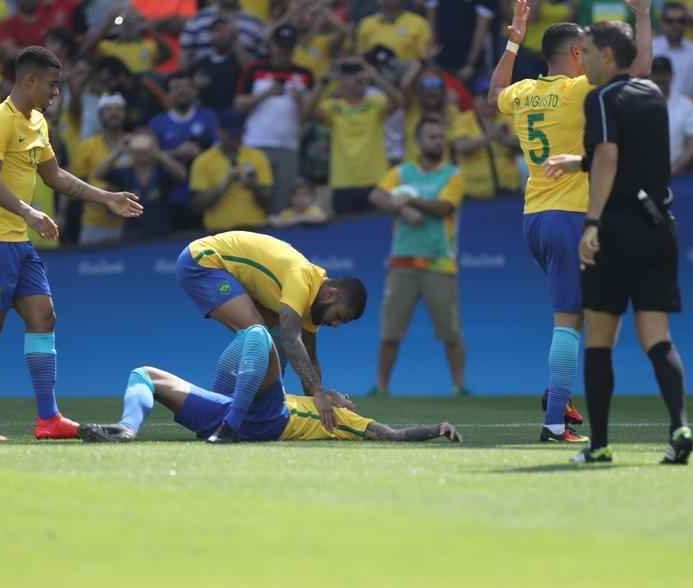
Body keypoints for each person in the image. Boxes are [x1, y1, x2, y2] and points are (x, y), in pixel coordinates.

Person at [0, 46, 144, 443]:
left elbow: (55, 176)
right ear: (30, 80)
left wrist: (106, 198)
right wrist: (29, 212)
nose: (58, 92)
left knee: (44, 316)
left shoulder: (38, 121)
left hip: (17, 239)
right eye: (53, 85)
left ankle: (48, 419)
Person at [489, 0, 651, 443]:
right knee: (568, 318)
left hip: (535, 218)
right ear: (578, 54)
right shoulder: (578, 90)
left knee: (577, 312)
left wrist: (512, 41)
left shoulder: (524, 92)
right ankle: (555, 420)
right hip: (570, 218)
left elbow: (493, 94)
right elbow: (640, 73)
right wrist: (642, 16)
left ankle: (559, 396)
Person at [541, 21, 693, 465]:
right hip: (660, 228)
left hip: (617, 230)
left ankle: (600, 444)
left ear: (607, 55)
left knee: (599, 342)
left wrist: (591, 224)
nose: (581, 59)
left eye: (586, 51)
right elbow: (631, 157)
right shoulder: (653, 95)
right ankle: (680, 426)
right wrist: (577, 162)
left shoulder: (602, 97)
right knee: (657, 340)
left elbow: (609, 157)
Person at [77, 330, 463, 445]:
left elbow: (392, 435)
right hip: (238, 411)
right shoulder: (308, 398)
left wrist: (436, 429)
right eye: (342, 394)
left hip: (267, 421)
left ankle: (228, 428)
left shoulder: (345, 421)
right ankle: (127, 428)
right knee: (144, 373)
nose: (345, 397)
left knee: (261, 335)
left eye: (348, 399)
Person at [173, 229, 366, 431]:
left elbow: (309, 358)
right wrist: (318, 392)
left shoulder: (313, 305)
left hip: (227, 272)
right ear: (331, 294)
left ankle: (240, 410)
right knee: (259, 334)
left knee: (272, 343)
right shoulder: (301, 276)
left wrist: (324, 399)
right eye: (338, 317)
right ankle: (220, 416)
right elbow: (292, 340)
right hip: (202, 261)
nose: (335, 325)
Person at [368, 118, 469, 396]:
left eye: (440, 136)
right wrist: (400, 209)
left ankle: (459, 387)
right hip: (402, 262)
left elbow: (444, 207)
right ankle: (382, 387)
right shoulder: (401, 172)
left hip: (440, 263)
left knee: (451, 333)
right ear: (418, 141)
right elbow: (376, 195)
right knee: (390, 333)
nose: (438, 141)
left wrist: (407, 201)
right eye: (432, 136)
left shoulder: (453, 174)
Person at [303, 57, 403, 215]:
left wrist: (375, 76)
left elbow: (399, 101)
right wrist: (322, 83)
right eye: (351, 76)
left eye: (359, 75)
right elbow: (306, 114)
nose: (358, 79)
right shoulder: (333, 107)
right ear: (341, 81)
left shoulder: (375, 102)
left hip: (376, 182)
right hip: (343, 183)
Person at [235, 24, 314, 214]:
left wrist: (300, 101)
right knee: (252, 195)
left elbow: (308, 115)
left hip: (288, 145)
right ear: (272, 46)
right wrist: (267, 93)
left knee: (284, 200)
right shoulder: (254, 69)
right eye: (280, 46)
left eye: (288, 47)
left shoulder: (304, 74)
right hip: (256, 143)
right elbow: (238, 104)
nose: (284, 51)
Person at [149, 70, 218, 231]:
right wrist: (177, 153)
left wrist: (199, 153)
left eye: (186, 87)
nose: (182, 91)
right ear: (168, 94)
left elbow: (219, 150)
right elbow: (150, 156)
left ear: (194, 91)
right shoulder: (158, 122)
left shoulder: (207, 117)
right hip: (170, 195)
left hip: (204, 194)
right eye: (176, 88)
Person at [189, 109, 274, 231]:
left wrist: (254, 186)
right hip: (219, 233)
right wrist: (225, 183)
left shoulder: (258, 157)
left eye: (239, 134)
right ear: (219, 132)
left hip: (254, 230)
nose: (235, 139)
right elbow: (198, 206)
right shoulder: (203, 161)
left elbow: (269, 204)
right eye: (231, 135)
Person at [98, 131, 185, 241]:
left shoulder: (161, 172)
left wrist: (158, 153)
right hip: (132, 233)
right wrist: (119, 150)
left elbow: (182, 175)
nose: (142, 153)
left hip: (161, 232)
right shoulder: (125, 173)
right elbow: (99, 174)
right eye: (138, 149)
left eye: (145, 149)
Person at [450, 77, 522, 199]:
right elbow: (460, 146)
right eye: (484, 96)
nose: (489, 101)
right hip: (475, 193)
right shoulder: (464, 120)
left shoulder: (509, 118)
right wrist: (490, 137)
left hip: (509, 190)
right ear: (474, 99)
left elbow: (525, 146)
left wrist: (505, 140)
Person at [72, 93, 129, 245]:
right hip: (94, 223)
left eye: (118, 109)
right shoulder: (87, 146)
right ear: (100, 115)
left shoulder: (133, 143)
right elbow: (77, 183)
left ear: (125, 114)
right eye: (108, 110)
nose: (114, 113)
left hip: (128, 224)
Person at [652, 1, 693, 106]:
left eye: (681, 21)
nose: (675, 25)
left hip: (685, 113)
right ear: (662, 23)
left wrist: (686, 108)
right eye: (670, 21)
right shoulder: (651, 48)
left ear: (687, 24)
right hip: (652, 109)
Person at [650, 56, 693, 175]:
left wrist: (674, 169)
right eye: (656, 74)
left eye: (664, 74)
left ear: (672, 76)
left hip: (678, 173)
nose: (660, 78)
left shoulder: (687, 105)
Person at [193, 13, 254, 110]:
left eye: (224, 30)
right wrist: (197, 86)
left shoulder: (238, 60)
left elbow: (249, 70)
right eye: (216, 30)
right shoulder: (202, 63)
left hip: (233, 112)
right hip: (209, 113)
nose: (220, 35)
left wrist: (235, 39)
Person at [179, 0, 267, 68]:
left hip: (241, 87)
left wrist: (234, 40)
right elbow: (184, 60)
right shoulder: (197, 19)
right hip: (203, 86)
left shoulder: (255, 23)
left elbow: (262, 65)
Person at [426, 0, 497, 82]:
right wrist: (430, 59)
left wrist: (471, 63)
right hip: (439, 58)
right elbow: (430, 22)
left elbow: (481, 30)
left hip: (467, 62)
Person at [356, 0, 433, 64]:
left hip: (406, 77)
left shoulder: (419, 24)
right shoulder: (366, 23)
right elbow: (361, 56)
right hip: (371, 78)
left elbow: (425, 58)